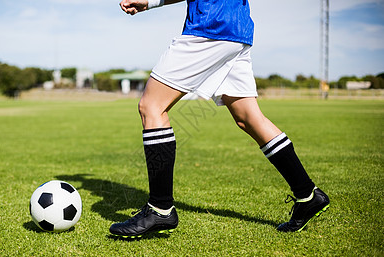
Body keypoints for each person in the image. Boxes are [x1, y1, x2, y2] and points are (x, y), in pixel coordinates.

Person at [109, 0, 330, 238]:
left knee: (151, 106)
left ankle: (160, 208)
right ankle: (308, 195)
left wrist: (150, 1)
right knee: (248, 117)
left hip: (211, 25)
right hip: (237, 28)